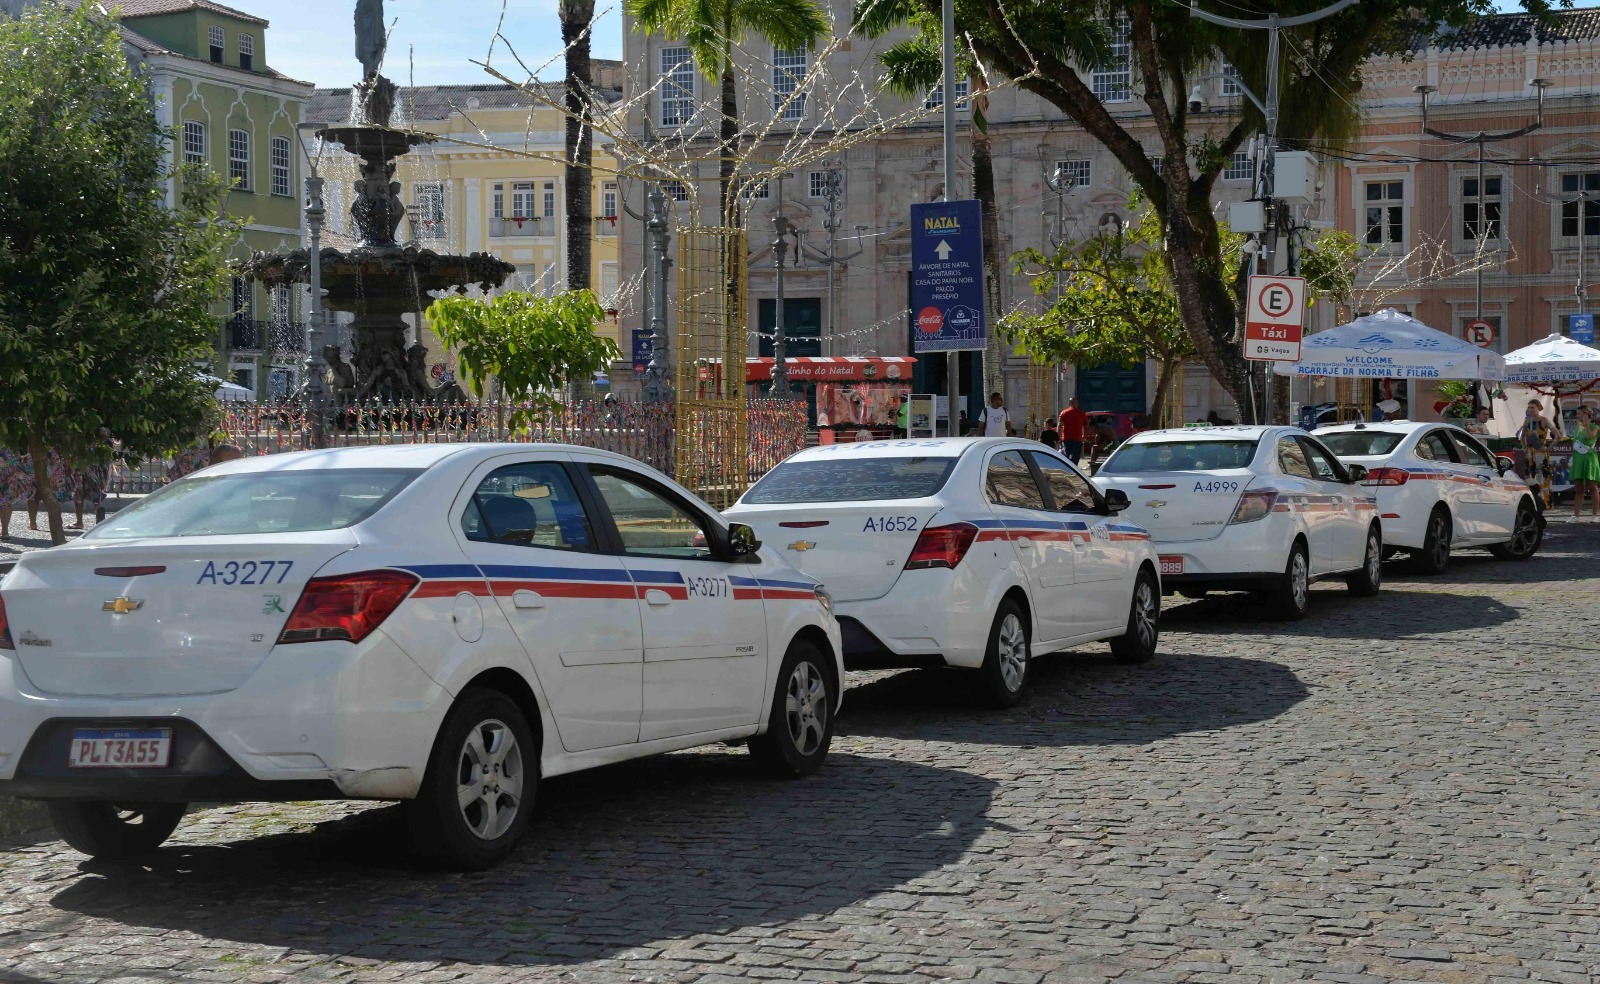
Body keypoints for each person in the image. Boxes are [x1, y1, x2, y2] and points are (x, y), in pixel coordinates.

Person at [1519, 398, 1556, 509]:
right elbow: (1522, 436)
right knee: (1531, 476)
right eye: (1529, 407)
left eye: (1532, 407)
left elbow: (1558, 435)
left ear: (1538, 408)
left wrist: (1549, 448)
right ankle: (1533, 502)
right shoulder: (1527, 421)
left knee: (1542, 477)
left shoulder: (1544, 420)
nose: (1530, 409)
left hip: (1541, 452)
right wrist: (1525, 448)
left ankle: (1545, 502)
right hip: (1530, 453)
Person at [1570, 405, 1600, 521]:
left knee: (1592, 486)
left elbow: (1590, 437)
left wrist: (1587, 425)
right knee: (1579, 488)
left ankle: (1595, 515)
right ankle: (1576, 515)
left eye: (1580, 413)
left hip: (1589, 457)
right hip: (1578, 457)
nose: (1578, 416)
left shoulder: (1595, 426)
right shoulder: (1578, 426)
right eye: (1577, 414)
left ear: (1587, 414)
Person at [1057, 397, 1087, 463]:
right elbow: (1085, 426)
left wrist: (1059, 438)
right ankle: (1074, 470)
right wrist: (1084, 436)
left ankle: (1067, 470)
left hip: (1066, 439)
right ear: (1077, 404)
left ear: (1069, 403)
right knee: (1075, 458)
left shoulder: (1064, 413)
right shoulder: (1082, 413)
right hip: (1078, 439)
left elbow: (1060, 426)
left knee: (1066, 457)